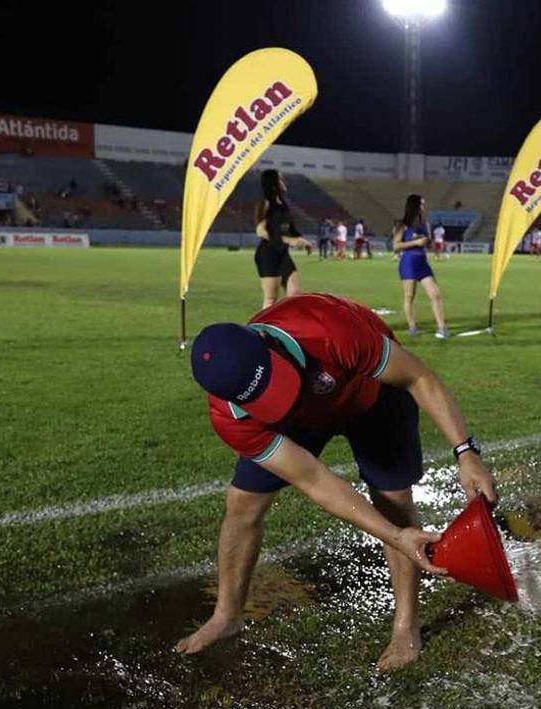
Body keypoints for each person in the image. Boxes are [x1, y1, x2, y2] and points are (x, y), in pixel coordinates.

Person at [178, 292, 498, 671]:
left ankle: (405, 626)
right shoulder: (232, 418)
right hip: (301, 420)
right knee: (242, 503)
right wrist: (395, 538)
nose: (281, 396)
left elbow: (418, 376)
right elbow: (313, 478)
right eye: (260, 398)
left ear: (265, 340)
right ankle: (227, 615)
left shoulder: (328, 328)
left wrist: (466, 452)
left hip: (373, 399)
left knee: (392, 499)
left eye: (273, 382)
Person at [392, 193, 449, 339]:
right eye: (421, 204)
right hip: (409, 263)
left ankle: (442, 328)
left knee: (435, 295)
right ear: (414, 206)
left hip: (422, 263)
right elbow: (395, 246)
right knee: (409, 296)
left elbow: (426, 244)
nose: (424, 208)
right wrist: (415, 243)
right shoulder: (403, 225)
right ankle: (412, 326)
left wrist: (427, 242)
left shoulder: (425, 224)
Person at [254, 170, 310, 310]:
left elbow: (290, 229)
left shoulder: (283, 205)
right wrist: (288, 240)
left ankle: (287, 328)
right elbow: (260, 231)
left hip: (282, 254)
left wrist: (302, 240)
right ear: (273, 183)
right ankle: (260, 331)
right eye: (280, 179)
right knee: (271, 299)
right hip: (268, 254)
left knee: (295, 294)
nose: (284, 182)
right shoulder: (266, 204)